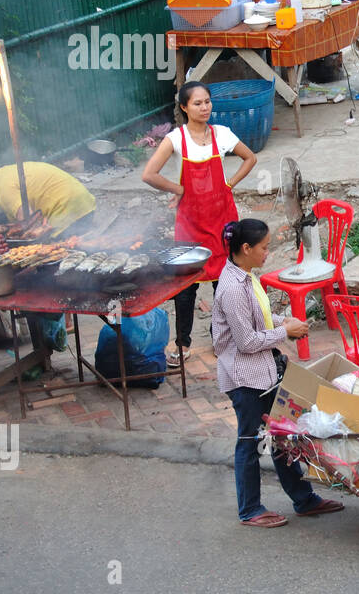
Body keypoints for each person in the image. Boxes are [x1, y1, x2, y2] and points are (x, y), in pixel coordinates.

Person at [212, 218, 342, 528]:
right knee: (250, 441)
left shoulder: (246, 276)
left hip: (265, 373)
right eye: (264, 247)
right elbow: (246, 342)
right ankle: (250, 510)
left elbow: (262, 317)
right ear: (246, 248)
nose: (268, 252)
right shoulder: (231, 288)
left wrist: (285, 322)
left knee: (283, 437)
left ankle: (304, 499)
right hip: (245, 379)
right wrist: (284, 333)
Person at [141, 82, 257, 359]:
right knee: (186, 286)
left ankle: (225, 342)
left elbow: (250, 158)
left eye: (207, 102)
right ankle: (182, 345)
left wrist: (229, 184)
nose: (204, 107)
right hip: (190, 223)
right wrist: (178, 189)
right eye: (197, 103)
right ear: (184, 107)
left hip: (223, 220)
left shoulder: (222, 134)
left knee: (225, 284)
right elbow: (149, 174)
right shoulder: (176, 139)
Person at [0, 162, 96, 234]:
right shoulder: (4, 172)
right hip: (86, 203)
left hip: (68, 211)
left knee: (52, 251)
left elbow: (29, 223)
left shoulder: (4, 191)